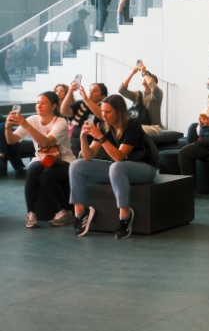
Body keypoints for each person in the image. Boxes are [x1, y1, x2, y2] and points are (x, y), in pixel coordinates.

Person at [70, 94, 158, 239]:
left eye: (108, 112)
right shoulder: (105, 127)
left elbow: (119, 156)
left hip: (144, 167)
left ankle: (124, 216)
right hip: (119, 169)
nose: (103, 115)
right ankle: (81, 212)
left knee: (116, 166)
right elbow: (88, 156)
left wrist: (101, 137)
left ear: (119, 112)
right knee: (76, 165)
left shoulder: (132, 126)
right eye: (102, 111)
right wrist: (83, 138)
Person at [4, 91, 74, 228]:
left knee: (47, 176)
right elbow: (11, 140)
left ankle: (64, 212)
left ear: (53, 106)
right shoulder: (32, 120)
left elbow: (47, 142)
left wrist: (26, 125)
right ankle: (31, 213)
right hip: (42, 158)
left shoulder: (61, 122)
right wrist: (7, 126)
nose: (38, 106)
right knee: (33, 169)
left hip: (64, 160)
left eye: (43, 103)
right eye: (37, 103)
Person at [60, 81, 106, 158]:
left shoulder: (104, 107)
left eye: (95, 91)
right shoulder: (81, 103)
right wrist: (69, 92)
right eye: (90, 90)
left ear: (103, 96)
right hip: (72, 141)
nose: (91, 92)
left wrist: (87, 100)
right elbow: (64, 111)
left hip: (91, 144)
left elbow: (102, 116)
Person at [118, 62, 163, 137]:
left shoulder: (157, 94)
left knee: (132, 129)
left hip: (153, 128)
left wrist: (144, 72)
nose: (144, 78)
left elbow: (154, 87)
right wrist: (132, 73)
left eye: (147, 77)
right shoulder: (137, 95)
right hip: (138, 127)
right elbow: (121, 90)